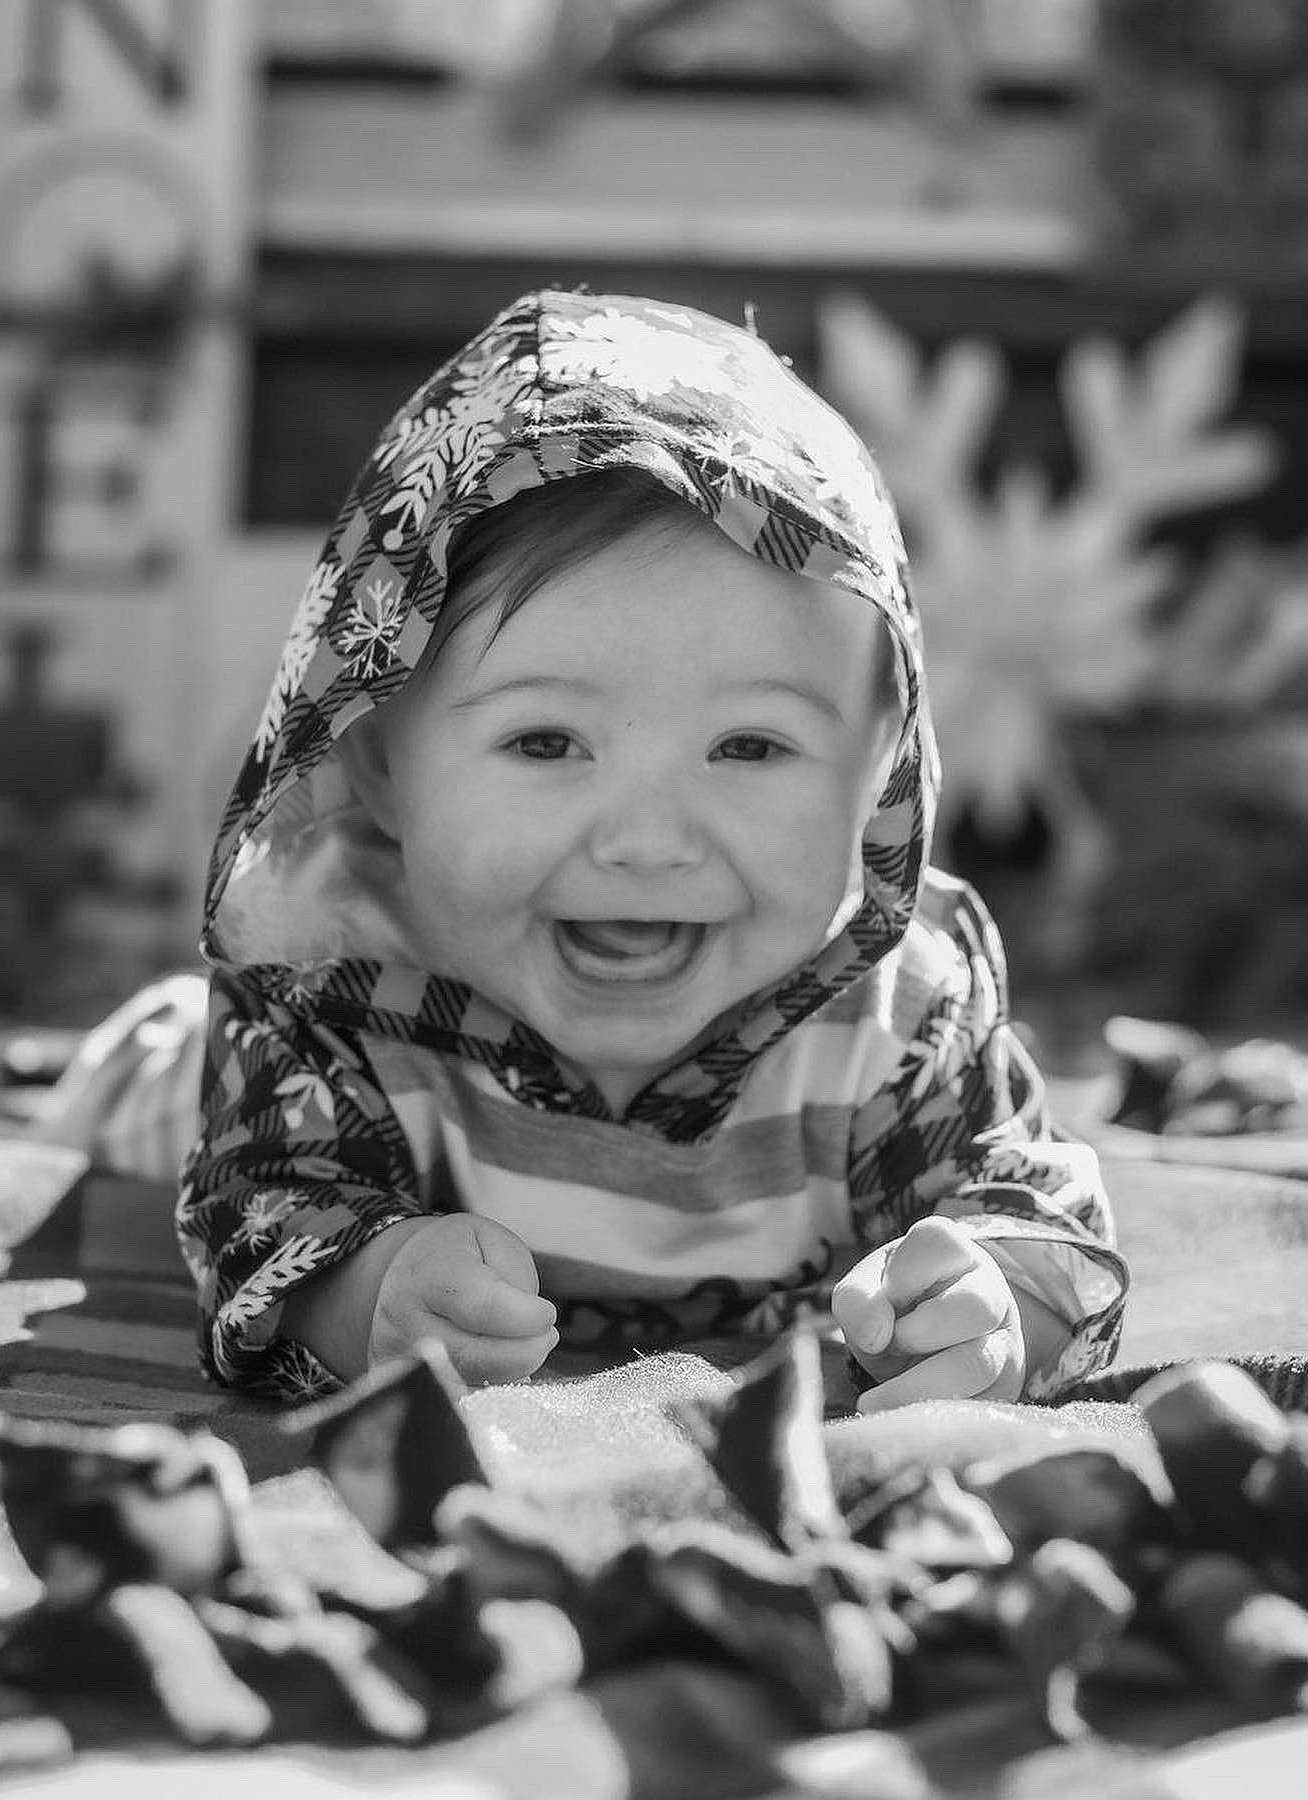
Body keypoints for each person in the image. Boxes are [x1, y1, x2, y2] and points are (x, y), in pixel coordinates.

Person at [176, 289, 1127, 1409]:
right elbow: (266, 1206)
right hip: (198, 1089)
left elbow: (1024, 1205)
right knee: (147, 1089)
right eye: (546, 740)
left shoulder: (897, 1010)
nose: (646, 843)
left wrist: (998, 1302)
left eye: (749, 745)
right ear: (378, 764)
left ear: (879, 765)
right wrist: (365, 1292)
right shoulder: (333, 984)